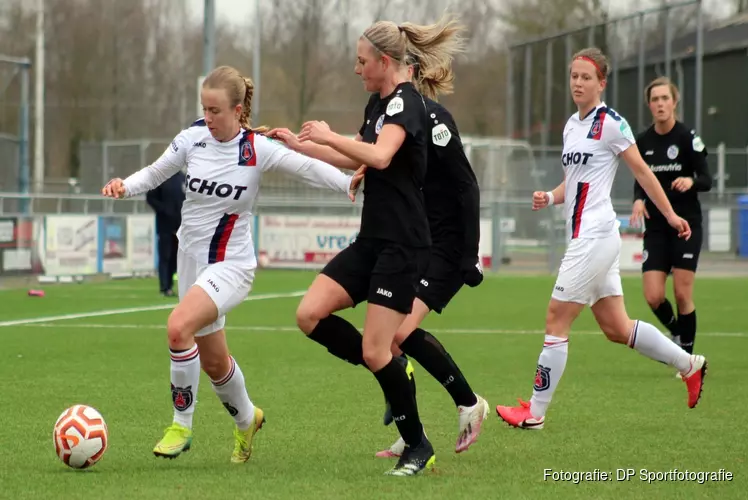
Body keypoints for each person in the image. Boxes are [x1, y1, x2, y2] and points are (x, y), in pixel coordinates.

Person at [101, 65, 357, 463]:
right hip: (190, 261)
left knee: (177, 327)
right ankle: (246, 420)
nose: (208, 117)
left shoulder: (257, 148)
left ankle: (180, 426)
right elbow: (155, 173)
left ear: (238, 110)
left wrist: (348, 183)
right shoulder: (192, 139)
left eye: (216, 110)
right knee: (214, 362)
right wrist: (124, 186)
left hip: (231, 265)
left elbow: (306, 168)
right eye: (205, 108)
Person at [274, 15, 465, 477]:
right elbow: (353, 152)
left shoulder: (408, 104)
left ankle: (418, 445)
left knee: (378, 350)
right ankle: (388, 368)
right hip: (372, 241)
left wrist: (327, 135)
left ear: (384, 61)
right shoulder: (377, 104)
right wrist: (298, 145)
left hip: (404, 246)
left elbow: (379, 155)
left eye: (362, 62)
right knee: (310, 314)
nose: (356, 69)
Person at [495, 48, 708, 430]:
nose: (578, 83)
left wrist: (672, 215)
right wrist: (551, 196)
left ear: (602, 83)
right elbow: (574, 182)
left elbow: (643, 173)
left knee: (556, 319)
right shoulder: (571, 125)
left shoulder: (611, 123)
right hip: (589, 236)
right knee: (617, 328)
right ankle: (689, 364)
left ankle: (535, 414)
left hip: (594, 236)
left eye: (586, 77)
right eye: (574, 76)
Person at [373, 57, 488, 459]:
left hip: (448, 246)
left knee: (398, 334)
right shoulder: (395, 116)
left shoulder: (436, 119)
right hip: (419, 241)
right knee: (386, 337)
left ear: (409, 74)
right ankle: (411, 431)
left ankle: (469, 402)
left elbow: (467, 186)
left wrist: (471, 253)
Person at [630, 77, 711, 369]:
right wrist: (638, 199)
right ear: (649, 105)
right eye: (655, 99)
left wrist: (690, 181)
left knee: (681, 292)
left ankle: (687, 359)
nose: (660, 104)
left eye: (665, 98)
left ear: (674, 102)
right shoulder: (643, 141)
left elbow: (707, 179)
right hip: (656, 227)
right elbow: (640, 178)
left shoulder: (688, 138)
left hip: (686, 224)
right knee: (653, 295)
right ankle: (677, 332)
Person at [146, 170, 186, 296]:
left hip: (181, 225)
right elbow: (150, 198)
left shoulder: (183, 178)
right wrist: (163, 210)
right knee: (165, 256)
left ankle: (171, 286)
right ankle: (164, 287)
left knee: (176, 257)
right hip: (165, 226)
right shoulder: (161, 176)